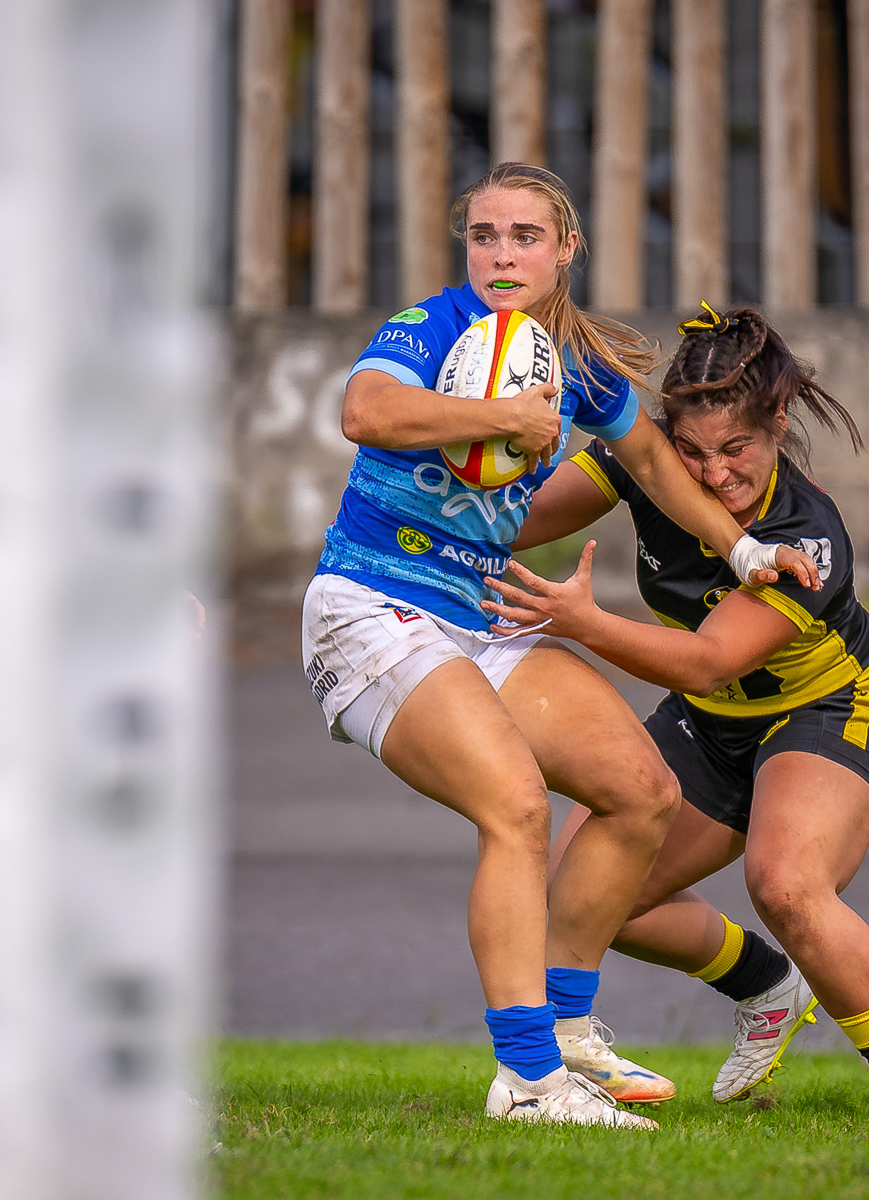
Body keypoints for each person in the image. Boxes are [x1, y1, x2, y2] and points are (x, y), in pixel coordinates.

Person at [303, 163, 808, 1128]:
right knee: (518, 809)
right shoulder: (431, 327)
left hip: (476, 615)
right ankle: (529, 1081)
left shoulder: (576, 366)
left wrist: (744, 549)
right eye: (484, 235)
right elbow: (364, 414)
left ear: (566, 249)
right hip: (370, 605)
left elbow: (655, 463)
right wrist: (502, 417)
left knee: (639, 790)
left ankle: (568, 1036)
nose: (501, 255)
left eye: (524, 236)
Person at [485, 306, 869, 1122]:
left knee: (786, 884)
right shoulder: (643, 461)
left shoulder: (807, 538)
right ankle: (766, 987)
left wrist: (584, 623)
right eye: (693, 453)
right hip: (710, 717)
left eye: (735, 449)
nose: (713, 475)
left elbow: (710, 656)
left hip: (830, 706)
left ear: (778, 425)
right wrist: (468, 457)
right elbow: (511, 522)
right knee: (587, 891)